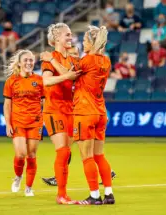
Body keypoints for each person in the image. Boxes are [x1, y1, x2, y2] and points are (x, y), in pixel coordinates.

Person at [41, 46, 117, 187]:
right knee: (73, 149)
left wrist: (51, 60)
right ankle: (106, 174)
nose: (75, 56)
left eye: (76, 53)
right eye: (72, 54)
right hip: (76, 111)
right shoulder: (78, 70)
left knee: (81, 150)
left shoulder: (81, 69)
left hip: (82, 113)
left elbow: (90, 90)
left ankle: (101, 179)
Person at [40, 23, 81, 204]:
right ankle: (61, 195)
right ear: (57, 38)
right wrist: (66, 76)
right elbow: (47, 82)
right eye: (67, 35)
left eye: (71, 35)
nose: (70, 38)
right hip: (54, 109)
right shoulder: (50, 58)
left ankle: (63, 193)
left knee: (67, 153)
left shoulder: (70, 60)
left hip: (70, 110)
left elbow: (73, 76)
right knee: (63, 151)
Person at [73, 25, 114, 205]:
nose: (82, 43)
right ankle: (109, 194)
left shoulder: (87, 60)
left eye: (84, 41)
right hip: (100, 111)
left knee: (87, 157)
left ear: (91, 42)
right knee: (99, 155)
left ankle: (95, 196)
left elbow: (70, 74)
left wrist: (52, 58)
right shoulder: (106, 61)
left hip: (85, 111)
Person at [3, 49, 43, 197]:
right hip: (18, 121)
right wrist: (8, 124)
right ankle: (18, 177)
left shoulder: (39, 80)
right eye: (25, 60)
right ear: (19, 63)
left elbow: (46, 102)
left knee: (31, 154)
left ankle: (28, 188)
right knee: (20, 154)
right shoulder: (11, 81)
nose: (28, 62)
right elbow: (7, 105)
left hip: (35, 122)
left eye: (31, 60)